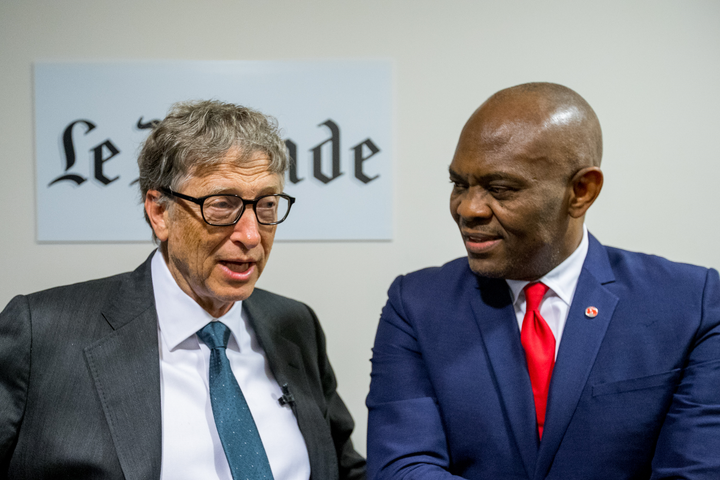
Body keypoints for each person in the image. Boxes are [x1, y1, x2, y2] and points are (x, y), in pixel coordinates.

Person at [366, 82, 720, 479]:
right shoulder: (415, 304)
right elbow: (404, 467)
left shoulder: (691, 302)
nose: (468, 208)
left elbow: (694, 471)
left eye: (499, 189)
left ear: (581, 191)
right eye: (459, 185)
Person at [0, 100, 366, 480]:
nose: (252, 235)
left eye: (267, 205)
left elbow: (344, 468)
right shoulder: (41, 334)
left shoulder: (295, 325)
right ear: (160, 212)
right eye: (222, 205)